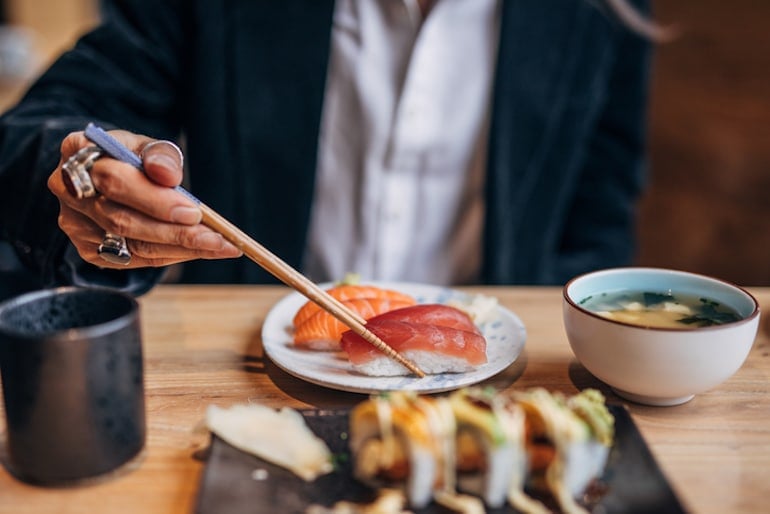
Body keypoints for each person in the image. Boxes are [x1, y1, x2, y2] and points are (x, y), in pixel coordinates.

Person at [0, 0, 654, 298]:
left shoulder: (599, 14)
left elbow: (597, 218)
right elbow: (37, 131)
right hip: (254, 373)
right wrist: (93, 188)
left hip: (494, 378)